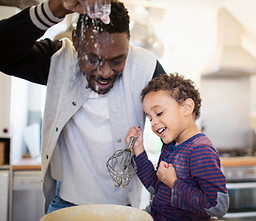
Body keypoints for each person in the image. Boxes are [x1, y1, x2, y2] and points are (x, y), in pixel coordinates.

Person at [0, 0, 166, 214]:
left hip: (125, 208)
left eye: (117, 60)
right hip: (66, 204)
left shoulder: (145, 66)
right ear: (76, 42)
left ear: (128, 45)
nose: (105, 72)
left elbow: (176, 121)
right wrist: (55, 8)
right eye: (93, 59)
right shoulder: (59, 61)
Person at [125, 73, 229, 221]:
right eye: (150, 118)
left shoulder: (200, 150)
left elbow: (217, 206)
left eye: (159, 113)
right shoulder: (170, 146)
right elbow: (155, 187)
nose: (153, 122)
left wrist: (174, 183)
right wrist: (138, 149)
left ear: (187, 107)